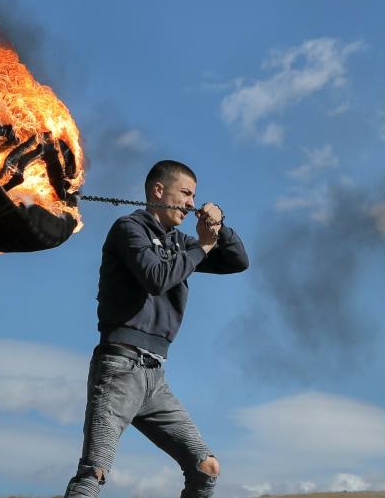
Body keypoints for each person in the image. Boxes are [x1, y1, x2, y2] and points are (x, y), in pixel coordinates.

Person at [64, 160, 249, 498]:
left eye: (195, 196)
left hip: (155, 378)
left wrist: (218, 228)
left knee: (206, 468)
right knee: (94, 472)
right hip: (120, 367)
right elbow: (157, 277)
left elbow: (238, 261)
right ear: (158, 191)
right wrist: (203, 246)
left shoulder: (180, 242)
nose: (192, 203)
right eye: (186, 193)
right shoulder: (128, 228)